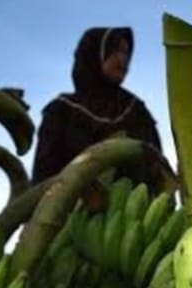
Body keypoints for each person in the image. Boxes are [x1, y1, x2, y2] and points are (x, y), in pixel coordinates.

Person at [31, 27, 165, 203]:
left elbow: (156, 168)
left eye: (126, 53)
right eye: (115, 50)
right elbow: (44, 174)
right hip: (68, 217)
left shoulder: (135, 110)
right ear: (93, 54)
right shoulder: (62, 110)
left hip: (131, 219)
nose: (123, 59)